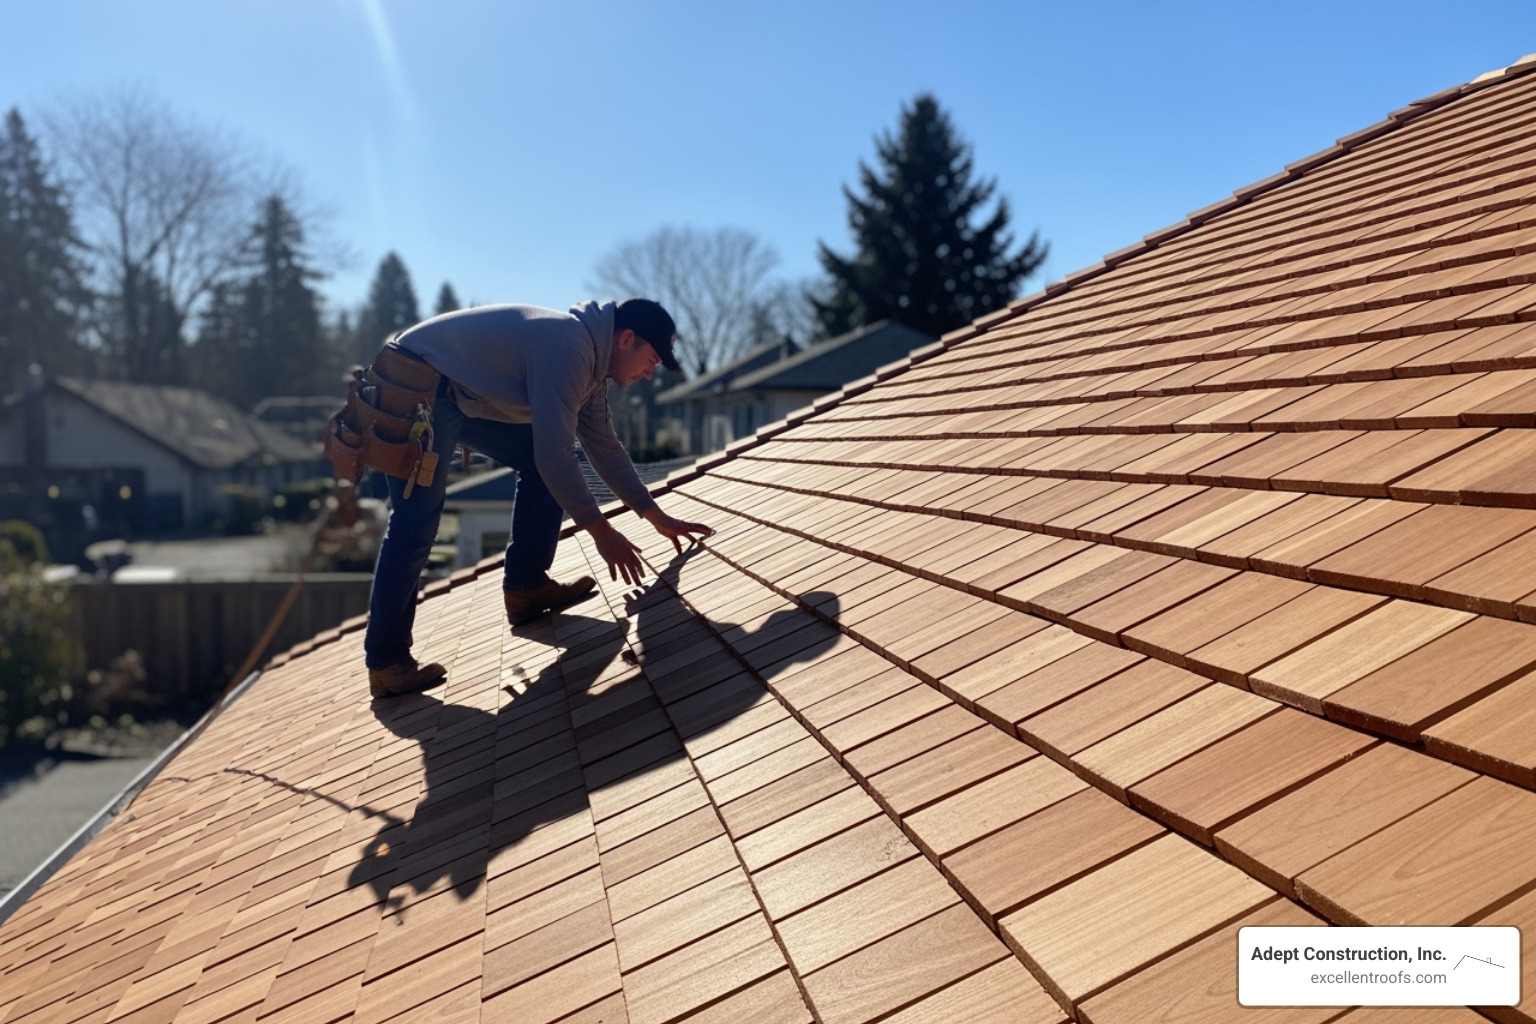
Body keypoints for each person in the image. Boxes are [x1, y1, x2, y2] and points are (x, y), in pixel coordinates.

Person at [362, 297, 713, 698]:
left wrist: (653, 514)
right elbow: (554, 455)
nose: (650, 374)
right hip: (415, 382)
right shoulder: (570, 348)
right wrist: (601, 532)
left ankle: (526, 588)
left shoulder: (591, 369)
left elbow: (604, 447)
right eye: (650, 359)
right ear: (626, 339)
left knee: (543, 458)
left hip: (455, 389)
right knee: (416, 522)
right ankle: (387, 661)